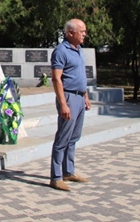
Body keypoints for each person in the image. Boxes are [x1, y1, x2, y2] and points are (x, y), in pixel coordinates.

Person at [49, 19, 92, 191]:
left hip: (80, 98)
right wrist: (63, 104)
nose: (84, 34)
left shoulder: (78, 49)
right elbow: (56, 79)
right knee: (63, 138)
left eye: (84, 31)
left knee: (74, 137)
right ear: (70, 33)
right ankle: (56, 177)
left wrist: (86, 96)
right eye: (82, 31)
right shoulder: (60, 51)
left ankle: (68, 171)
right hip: (68, 98)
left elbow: (80, 75)